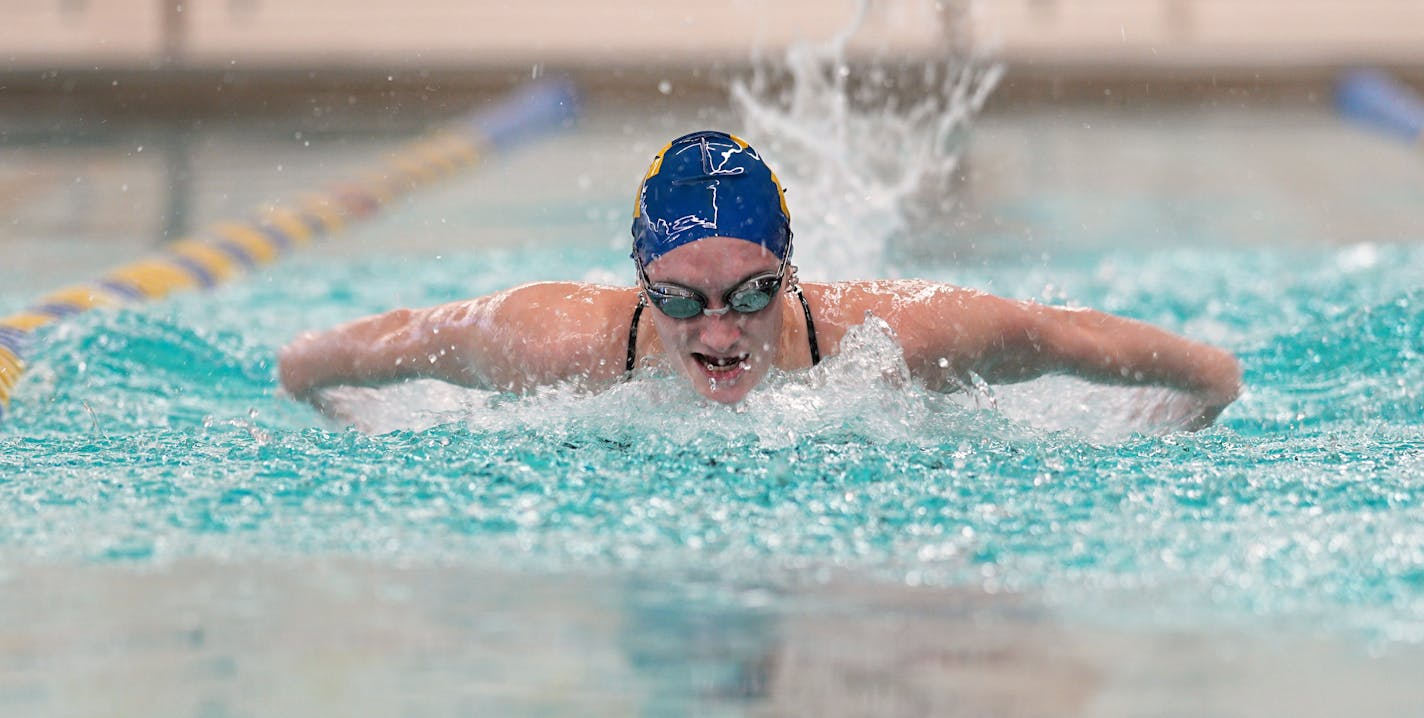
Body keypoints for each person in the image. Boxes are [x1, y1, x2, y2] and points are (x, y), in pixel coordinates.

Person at [279, 130, 1242, 429]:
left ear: (790, 274)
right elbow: (317, 364)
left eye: (750, 293)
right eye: (679, 300)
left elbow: (1194, 371)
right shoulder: (550, 343)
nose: (719, 334)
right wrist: (369, 436)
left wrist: (1148, 441)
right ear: (639, 280)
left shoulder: (899, 339)